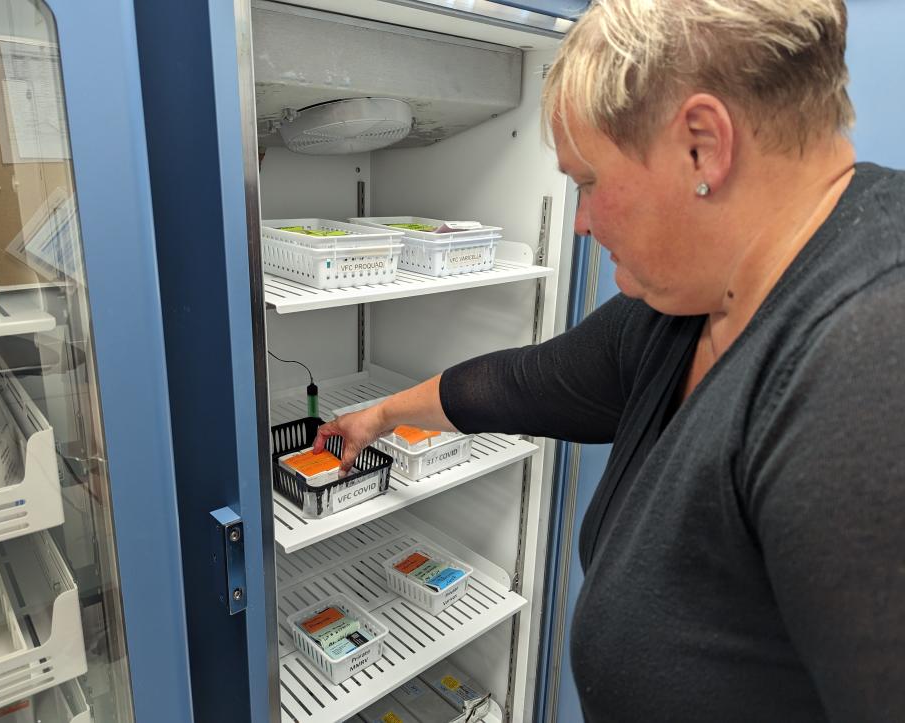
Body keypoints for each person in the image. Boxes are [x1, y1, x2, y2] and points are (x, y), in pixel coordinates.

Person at [314, 0, 905, 719]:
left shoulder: (869, 363)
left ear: (703, 146)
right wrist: (378, 416)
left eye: (588, 181)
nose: (582, 221)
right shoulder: (690, 305)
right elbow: (517, 383)